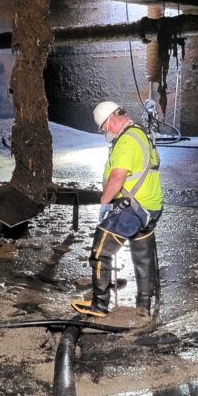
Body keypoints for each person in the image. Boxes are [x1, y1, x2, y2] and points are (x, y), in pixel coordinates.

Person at [71, 101, 163, 318]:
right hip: (150, 208)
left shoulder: (126, 142)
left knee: (100, 253)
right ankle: (144, 306)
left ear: (112, 120)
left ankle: (99, 306)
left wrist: (105, 202)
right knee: (143, 258)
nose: (105, 133)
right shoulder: (139, 133)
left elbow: (117, 177)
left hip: (131, 209)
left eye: (104, 128)